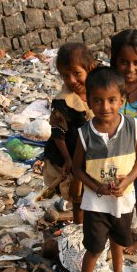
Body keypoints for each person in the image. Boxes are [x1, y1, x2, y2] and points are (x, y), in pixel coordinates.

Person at [72, 66, 137, 272]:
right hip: (96, 203)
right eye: (98, 101)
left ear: (122, 100)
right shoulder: (85, 133)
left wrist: (126, 183)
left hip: (124, 200)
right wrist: (96, 187)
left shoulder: (132, 127)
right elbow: (77, 169)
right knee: (94, 247)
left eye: (112, 100)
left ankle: (118, 271)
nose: (105, 107)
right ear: (89, 101)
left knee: (119, 239)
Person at [110, 29, 137, 254]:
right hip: (113, 150)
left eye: (136, 62)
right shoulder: (111, 85)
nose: (130, 69)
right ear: (114, 61)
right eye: (124, 62)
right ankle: (118, 233)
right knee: (117, 192)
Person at [43, 43, 95, 224]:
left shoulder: (98, 93)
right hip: (71, 152)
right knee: (77, 195)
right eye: (66, 76)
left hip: (93, 153)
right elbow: (58, 132)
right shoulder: (63, 102)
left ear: (90, 69)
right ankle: (79, 228)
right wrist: (68, 159)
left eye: (77, 73)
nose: (72, 80)